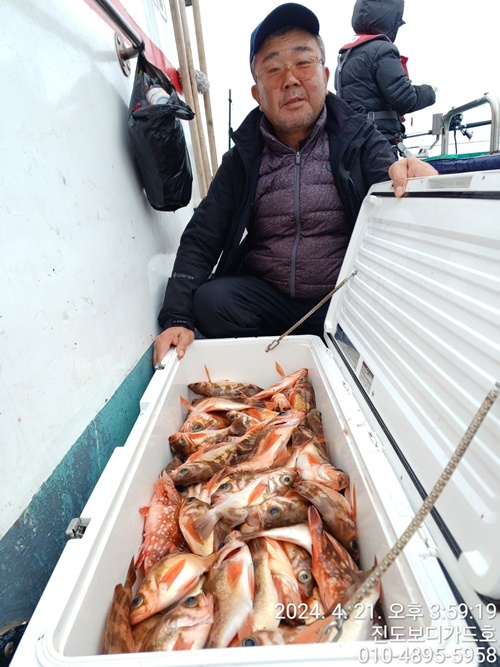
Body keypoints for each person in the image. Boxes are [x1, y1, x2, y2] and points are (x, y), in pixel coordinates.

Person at [153, 2, 437, 366]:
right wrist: (176, 317)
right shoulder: (242, 156)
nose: (290, 79)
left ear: (325, 76)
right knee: (211, 302)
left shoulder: (360, 137)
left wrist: (411, 178)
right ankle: (275, 362)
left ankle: (328, 353)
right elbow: (202, 235)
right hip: (268, 302)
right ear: (258, 95)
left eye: (303, 62)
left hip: (340, 302)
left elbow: (394, 190)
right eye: (273, 70)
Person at [334, 0, 436, 153]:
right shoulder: (383, 49)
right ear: (389, 20)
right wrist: (429, 91)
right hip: (378, 143)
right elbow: (405, 99)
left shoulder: (346, 56)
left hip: (354, 141)